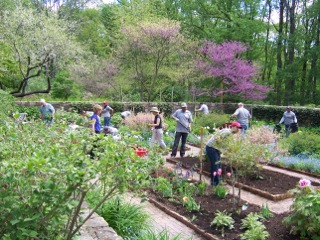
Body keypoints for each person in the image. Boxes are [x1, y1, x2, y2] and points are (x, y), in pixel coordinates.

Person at [206, 122, 242, 186]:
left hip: (215, 148)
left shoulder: (229, 132)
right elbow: (218, 139)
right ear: (233, 127)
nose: (238, 130)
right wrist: (225, 148)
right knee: (215, 166)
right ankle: (215, 183)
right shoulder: (227, 132)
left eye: (239, 128)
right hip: (211, 148)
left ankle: (218, 181)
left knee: (219, 166)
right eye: (237, 128)